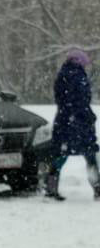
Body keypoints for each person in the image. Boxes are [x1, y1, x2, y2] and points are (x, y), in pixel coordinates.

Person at [44, 48, 100, 201]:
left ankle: (51, 187)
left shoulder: (62, 75)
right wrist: (88, 116)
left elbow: (62, 99)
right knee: (90, 156)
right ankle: (97, 188)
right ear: (79, 62)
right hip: (79, 123)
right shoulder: (78, 76)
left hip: (63, 121)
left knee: (59, 155)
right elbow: (81, 101)